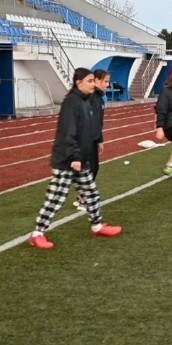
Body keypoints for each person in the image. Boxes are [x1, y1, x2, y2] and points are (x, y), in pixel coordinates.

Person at [29, 68, 122, 249]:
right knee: (56, 197)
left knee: (91, 194)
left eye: (93, 81)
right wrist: (74, 157)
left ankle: (97, 226)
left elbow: (86, 131)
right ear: (78, 82)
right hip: (68, 160)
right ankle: (37, 233)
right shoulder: (72, 102)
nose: (93, 84)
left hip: (81, 158)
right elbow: (68, 132)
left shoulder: (85, 102)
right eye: (89, 81)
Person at [74, 68, 110, 211]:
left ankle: (82, 197)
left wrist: (99, 139)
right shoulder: (91, 98)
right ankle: (83, 199)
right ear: (96, 81)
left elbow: (98, 122)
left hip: (93, 139)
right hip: (85, 140)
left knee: (93, 168)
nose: (107, 84)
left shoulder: (99, 98)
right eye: (105, 81)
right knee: (89, 169)